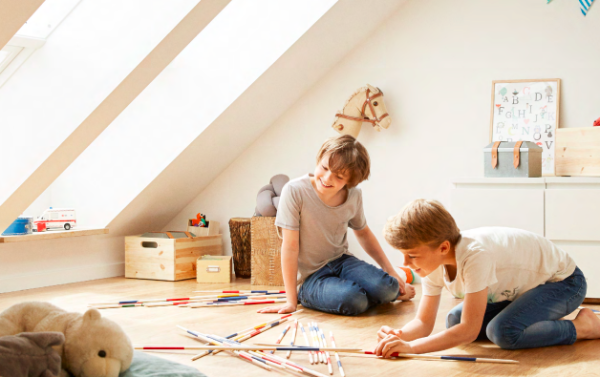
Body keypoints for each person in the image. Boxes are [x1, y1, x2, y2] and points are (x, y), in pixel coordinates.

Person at [374, 199, 600, 357]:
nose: (405, 264)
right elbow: (423, 323)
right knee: (454, 322)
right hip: (520, 289)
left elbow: (469, 331)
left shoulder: (475, 257)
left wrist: (412, 349)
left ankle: (584, 327)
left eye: (411, 255)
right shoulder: (433, 262)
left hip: (564, 283)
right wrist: (400, 336)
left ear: (443, 247)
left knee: (503, 332)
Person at [258, 135, 415, 316]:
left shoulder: (354, 195)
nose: (326, 178)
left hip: (342, 261)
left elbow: (363, 233)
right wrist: (290, 301)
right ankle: (309, 296)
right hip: (312, 276)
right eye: (324, 167)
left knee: (387, 287)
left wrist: (390, 270)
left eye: (339, 176)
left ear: (350, 181)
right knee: (354, 299)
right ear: (319, 159)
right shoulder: (294, 191)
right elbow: (290, 247)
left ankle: (382, 295)